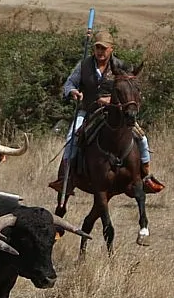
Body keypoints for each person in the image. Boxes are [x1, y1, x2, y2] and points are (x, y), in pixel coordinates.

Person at [49, 30, 164, 194]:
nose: (100, 52)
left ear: (111, 49)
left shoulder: (122, 67)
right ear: (94, 49)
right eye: (97, 48)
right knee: (72, 137)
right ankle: (65, 178)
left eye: (104, 48)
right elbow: (69, 84)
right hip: (88, 110)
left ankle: (145, 177)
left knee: (142, 139)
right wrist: (73, 92)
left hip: (114, 113)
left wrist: (111, 99)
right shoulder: (83, 65)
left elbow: (130, 89)